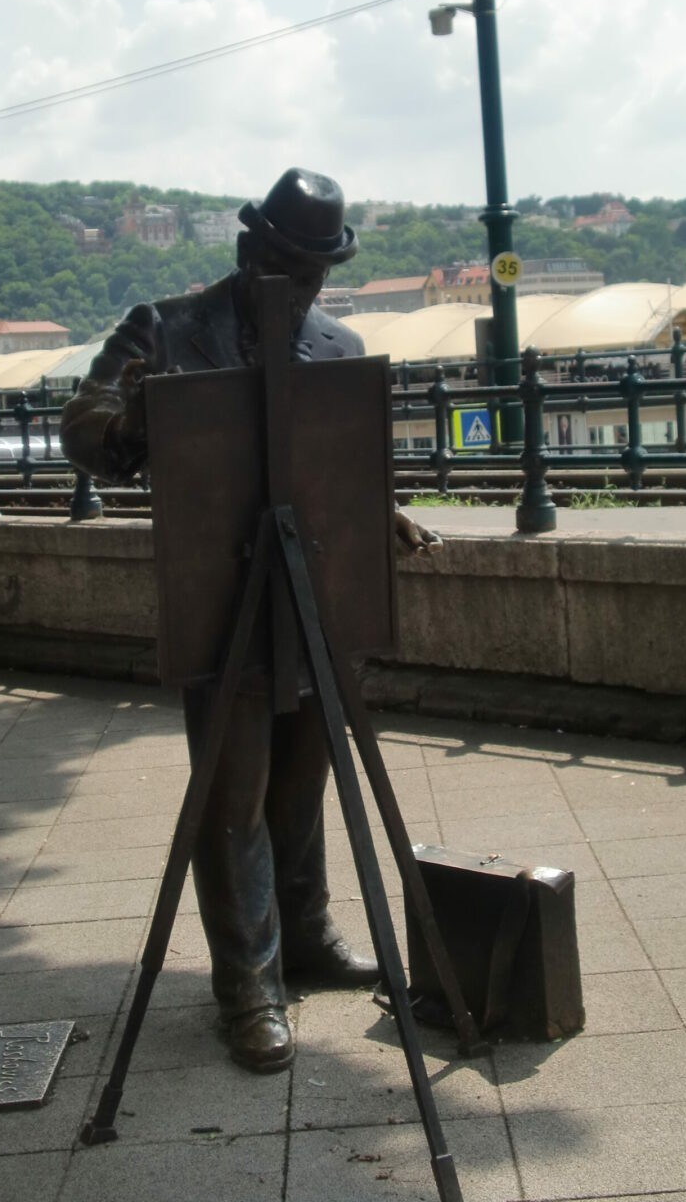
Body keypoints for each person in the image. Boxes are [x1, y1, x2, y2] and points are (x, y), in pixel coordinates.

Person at [61, 167, 438, 1075]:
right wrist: (143, 418)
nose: (302, 285)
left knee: (304, 782)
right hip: (221, 595)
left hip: (315, 594)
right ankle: (249, 988)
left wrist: (376, 510)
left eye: (316, 270)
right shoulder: (166, 328)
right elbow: (83, 426)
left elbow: (328, 464)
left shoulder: (337, 342)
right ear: (250, 249)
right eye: (289, 264)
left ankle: (304, 940)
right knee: (233, 800)